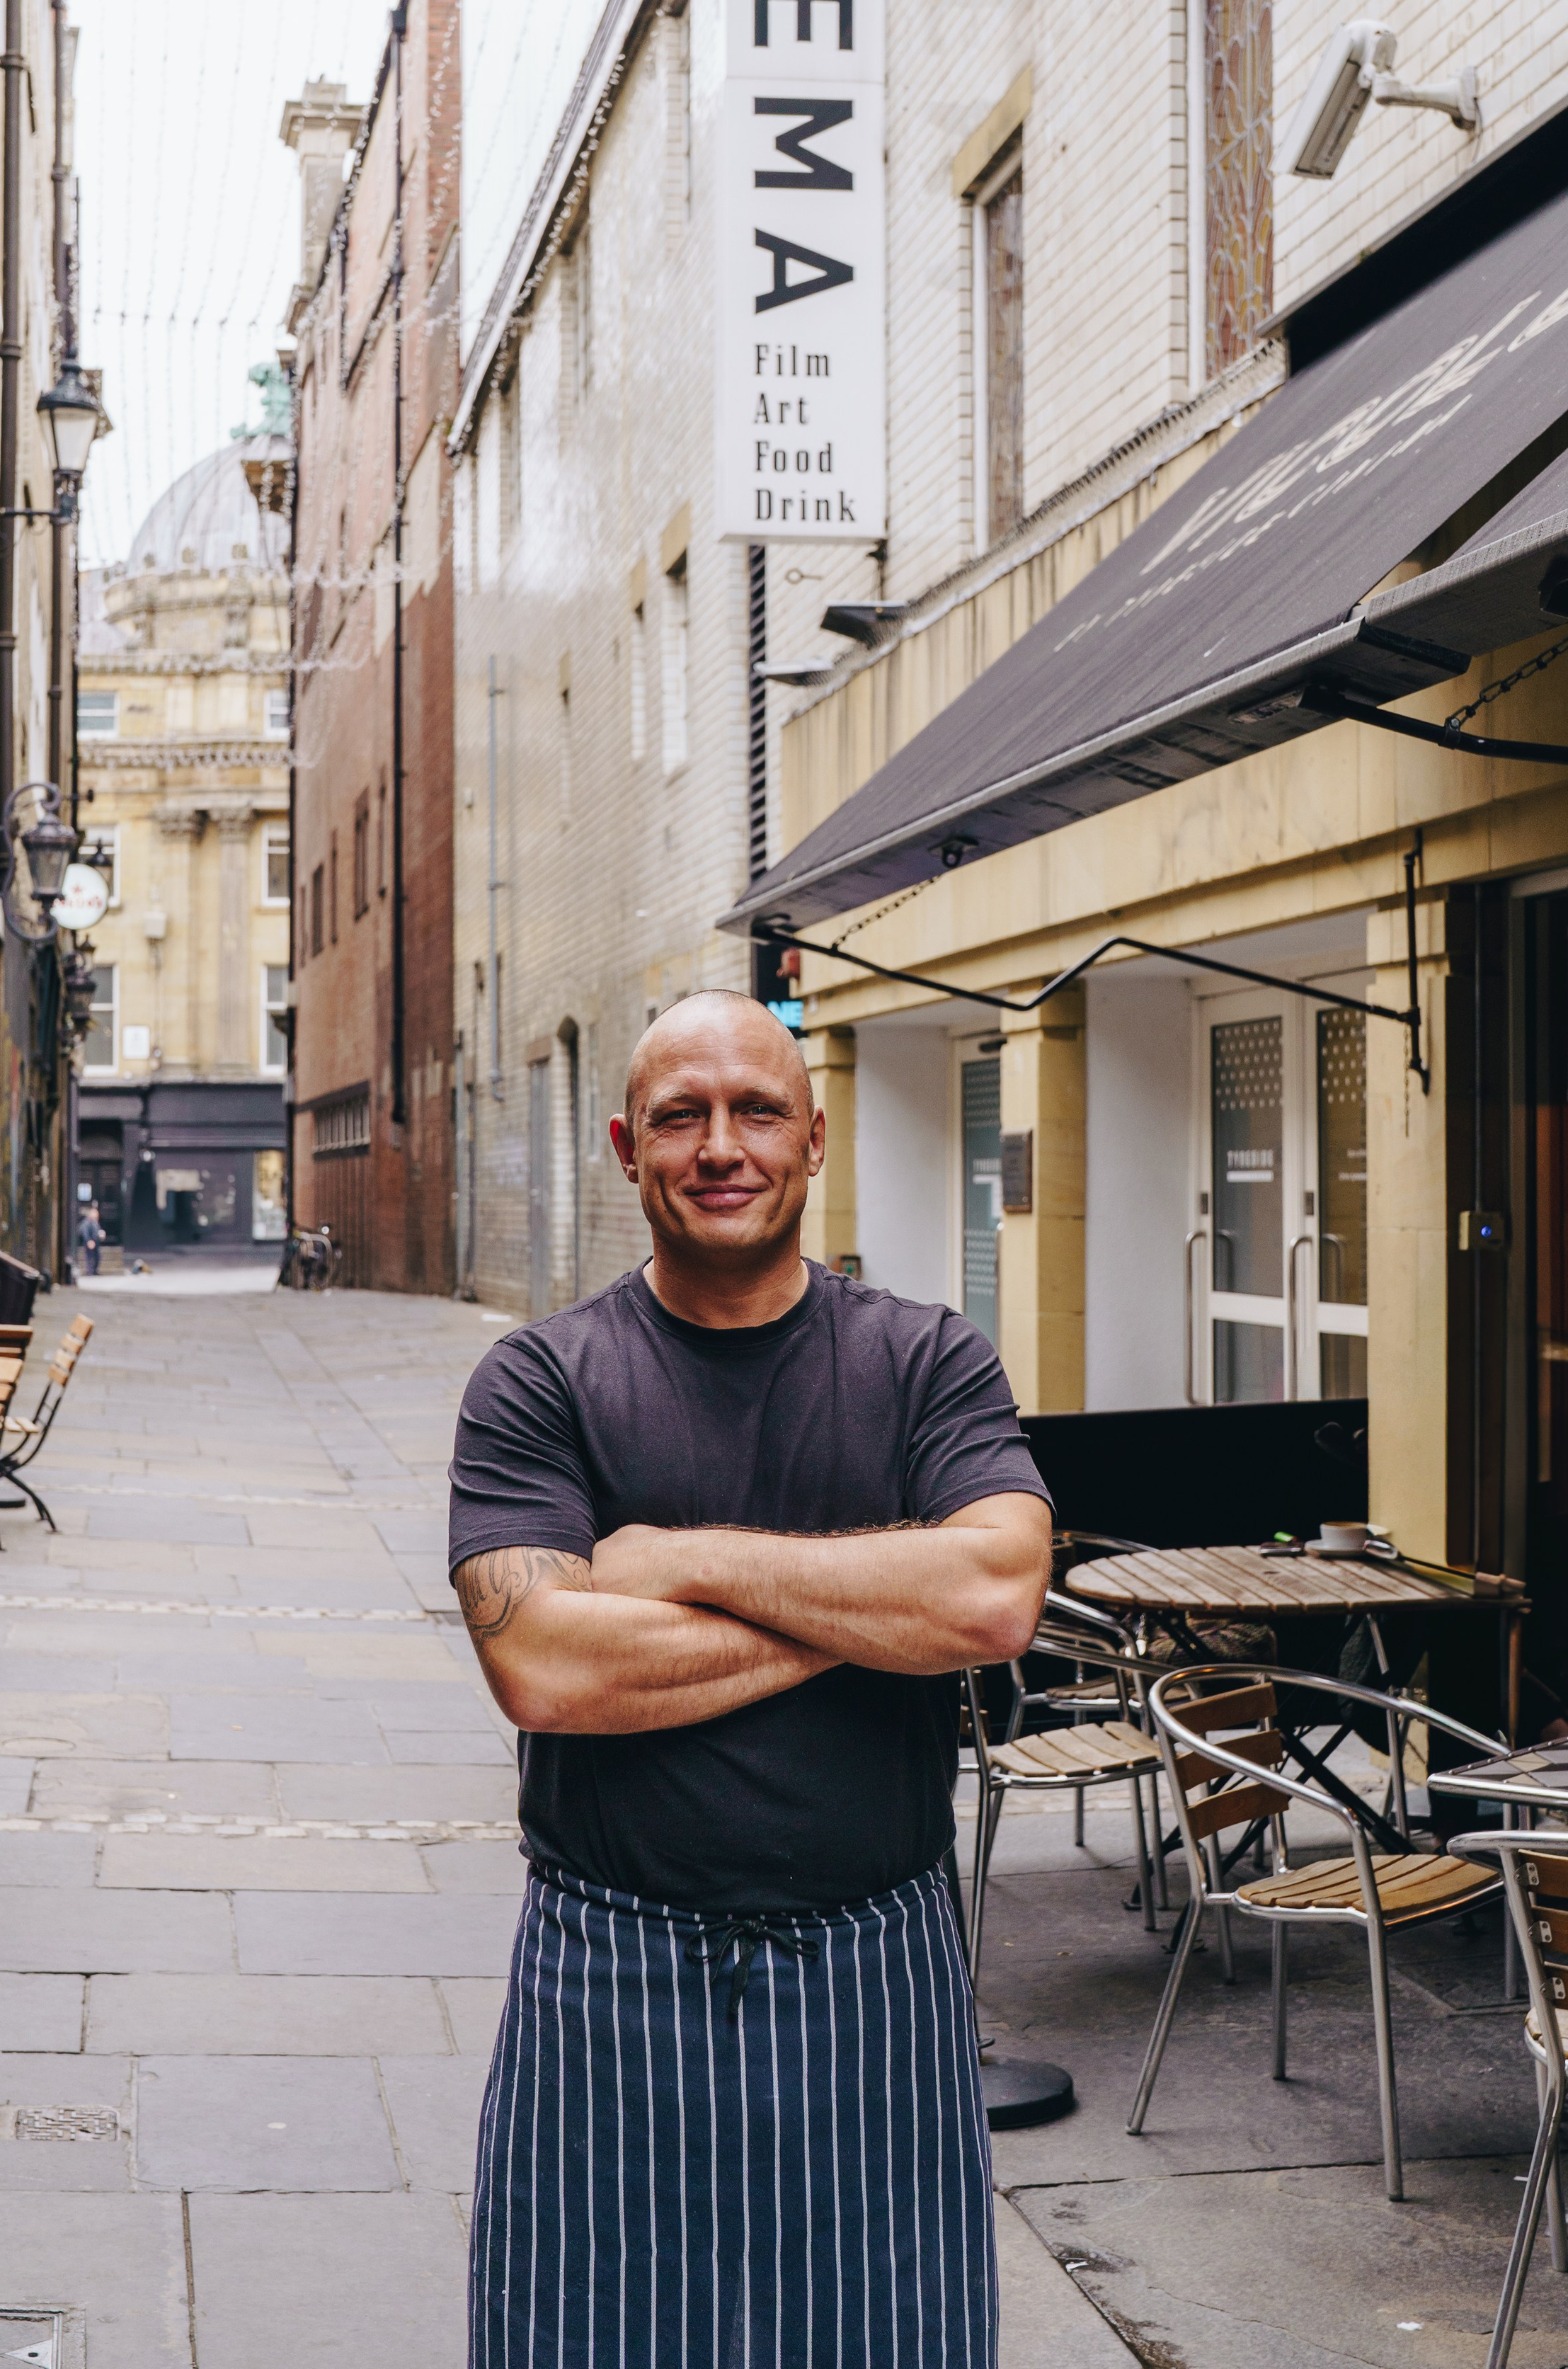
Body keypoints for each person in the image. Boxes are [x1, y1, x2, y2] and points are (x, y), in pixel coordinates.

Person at [450, 990, 1053, 2369]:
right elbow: (544, 1663)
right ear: (625, 1144)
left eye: (755, 1111)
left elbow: (993, 1595)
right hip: (610, 1972)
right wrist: (871, 1605)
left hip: (873, 1973)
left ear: (814, 1137)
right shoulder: (540, 1382)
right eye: (681, 1117)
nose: (721, 1146)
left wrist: (672, 1559)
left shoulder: (923, 1363)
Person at [77, 1201, 103, 1276]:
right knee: (89, 1256)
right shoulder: (86, 1222)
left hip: (96, 1241)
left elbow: (98, 1230)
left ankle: (95, 1270)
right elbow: (85, 1232)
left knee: (97, 1256)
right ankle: (90, 1271)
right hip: (90, 1241)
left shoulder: (96, 1222)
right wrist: (89, 1240)